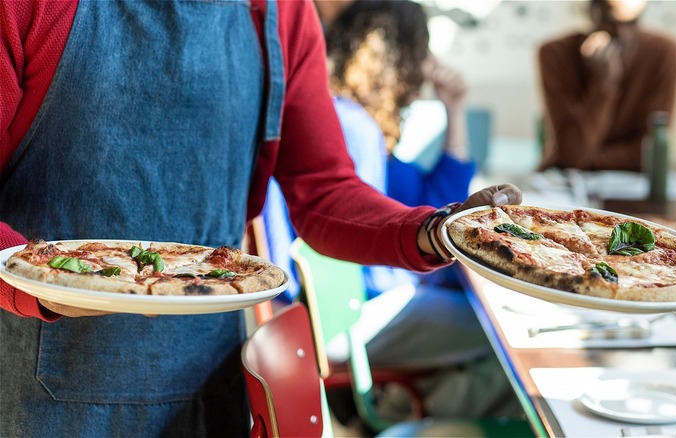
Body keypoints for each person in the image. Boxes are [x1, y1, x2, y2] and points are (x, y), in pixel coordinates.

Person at [0, 1, 523, 436]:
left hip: (210, 377)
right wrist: (39, 282)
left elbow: (324, 190)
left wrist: (434, 229)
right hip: (37, 384)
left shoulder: (279, 12)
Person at [262, 0, 521, 423]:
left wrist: (453, 110)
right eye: (421, 53)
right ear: (400, 57)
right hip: (346, 316)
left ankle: (405, 409)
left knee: (482, 314)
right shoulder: (355, 127)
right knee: (502, 334)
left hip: (331, 312)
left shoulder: (352, 121)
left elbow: (429, 195)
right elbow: (375, 266)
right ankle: (399, 413)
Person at [537, 0, 676, 172]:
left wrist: (585, 161)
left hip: (631, 190)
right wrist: (603, 84)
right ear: (591, 12)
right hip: (564, 190)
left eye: (631, 22)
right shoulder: (555, 54)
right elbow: (571, 151)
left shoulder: (664, 53)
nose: (621, 33)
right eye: (610, 21)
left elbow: (649, 153)